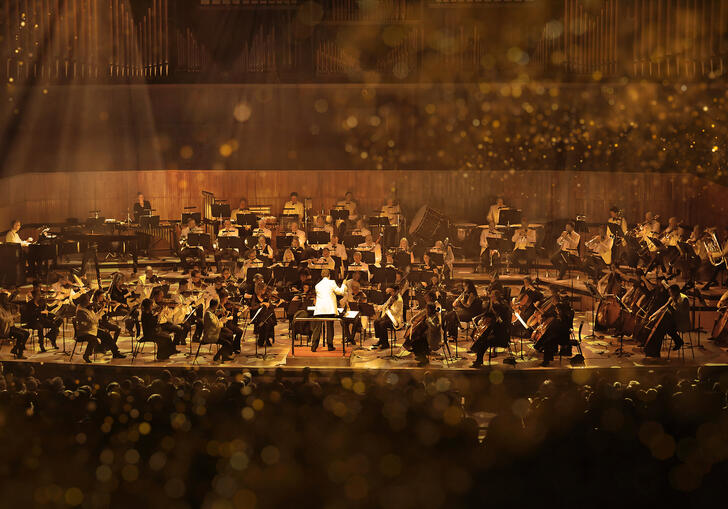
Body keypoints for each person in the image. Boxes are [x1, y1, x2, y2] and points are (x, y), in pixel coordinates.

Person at [74, 292, 125, 363]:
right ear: (84, 301)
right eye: (88, 300)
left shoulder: (87, 308)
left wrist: (101, 309)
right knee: (93, 339)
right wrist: (94, 310)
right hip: (85, 331)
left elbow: (95, 318)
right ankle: (87, 355)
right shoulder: (81, 311)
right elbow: (94, 321)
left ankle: (115, 352)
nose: (89, 302)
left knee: (106, 335)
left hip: (91, 329)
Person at [643, 284, 690, 358]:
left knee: (661, 329)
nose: (669, 294)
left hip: (681, 322)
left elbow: (683, 314)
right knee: (660, 329)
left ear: (676, 292)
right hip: (672, 321)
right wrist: (653, 315)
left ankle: (654, 351)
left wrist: (675, 305)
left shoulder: (684, 299)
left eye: (671, 292)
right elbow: (663, 307)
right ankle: (653, 351)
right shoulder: (672, 297)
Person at [309, 269, 347, 352]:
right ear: (329, 275)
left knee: (317, 328)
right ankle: (330, 346)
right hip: (329, 309)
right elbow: (340, 292)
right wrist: (344, 284)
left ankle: (314, 346)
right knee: (330, 327)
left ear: (321, 275)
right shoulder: (331, 282)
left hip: (319, 309)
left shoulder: (317, 285)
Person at [22, 287, 62, 352]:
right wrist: (40, 312)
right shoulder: (30, 304)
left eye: (39, 295)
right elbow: (29, 315)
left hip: (42, 320)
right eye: (37, 295)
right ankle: (41, 345)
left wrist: (56, 305)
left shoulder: (42, 302)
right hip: (33, 321)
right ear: (33, 295)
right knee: (40, 327)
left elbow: (48, 309)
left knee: (55, 325)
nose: (39, 296)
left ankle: (51, 337)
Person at [372, 285, 403, 350]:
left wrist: (387, 309)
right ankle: (380, 340)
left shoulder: (399, 300)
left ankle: (385, 343)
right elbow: (385, 304)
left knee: (382, 324)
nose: (390, 293)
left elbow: (395, 312)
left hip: (394, 319)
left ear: (396, 291)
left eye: (391, 292)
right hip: (388, 316)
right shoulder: (392, 297)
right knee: (376, 321)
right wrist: (380, 306)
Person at [0, 292, 29, 359]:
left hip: (11, 327)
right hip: (5, 330)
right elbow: (3, 320)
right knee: (21, 335)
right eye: (5, 299)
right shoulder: (0, 309)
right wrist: (13, 316)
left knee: (26, 333)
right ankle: (19, 354)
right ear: (2, 300)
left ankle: (15, 349)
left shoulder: (6, 307)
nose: (7, 301)